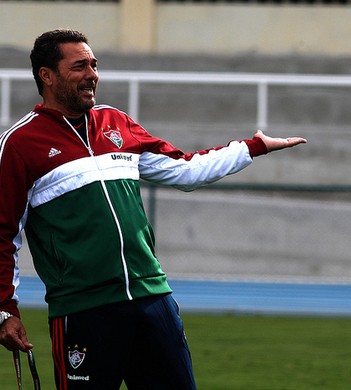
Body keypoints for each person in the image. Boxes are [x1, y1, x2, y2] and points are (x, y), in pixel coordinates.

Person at [0, 29, 306, 389]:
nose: (92, 74)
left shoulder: (116, 122)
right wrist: (6, 308)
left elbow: (187, 169)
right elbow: (4, 234)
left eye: (94, 65)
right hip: (84, 310)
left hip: (152, 299)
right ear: (46, 75)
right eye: (79, 66)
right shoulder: (20, 145)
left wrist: (252, 148)